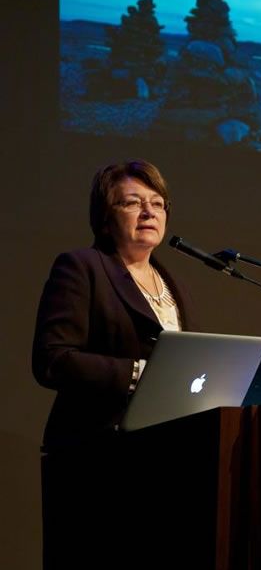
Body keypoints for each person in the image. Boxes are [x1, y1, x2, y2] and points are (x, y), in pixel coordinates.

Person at [32, 159, 194, 450]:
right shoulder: (82, 267)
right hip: (96, 447)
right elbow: (52, 360)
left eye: (157, 204)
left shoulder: (175, 284)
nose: (149, 212)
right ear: (106, 219)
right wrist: (138, 373)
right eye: (133, 203)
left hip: (166, 443)